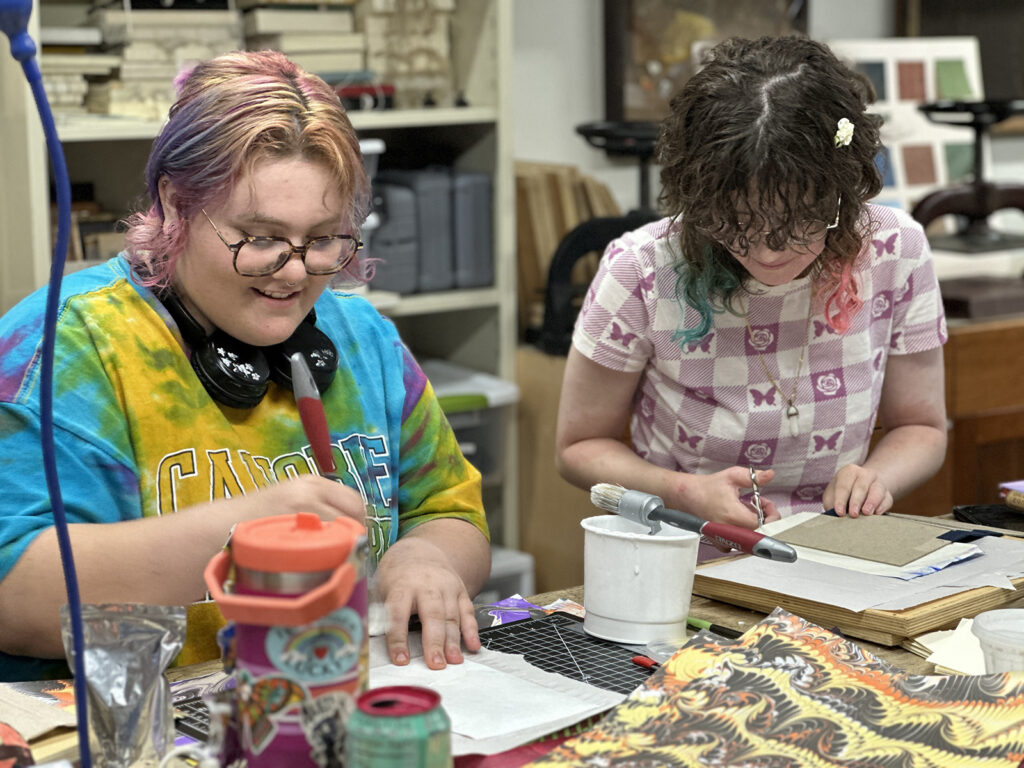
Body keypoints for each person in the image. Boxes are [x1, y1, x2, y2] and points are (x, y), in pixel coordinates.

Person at [0, 50, 490, 681]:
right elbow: (16, 595)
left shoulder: (365, 338)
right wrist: (244, 530)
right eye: (259, 237)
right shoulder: (64, 346)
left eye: (322, 238)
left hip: (334, 696)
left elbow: (451, 510)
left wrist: (427, 558)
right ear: (176, 206)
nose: (295, 271)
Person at [556, 36, 947, 541]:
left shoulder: (895, 251)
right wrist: (678, 490)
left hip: (835, 551)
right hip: (682, 551)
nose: (767, 251)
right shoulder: (643, 269)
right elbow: (578, 447)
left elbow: (922, 427)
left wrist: (877, 477)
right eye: (734, 222)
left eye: (801, 221)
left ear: (845, 190)